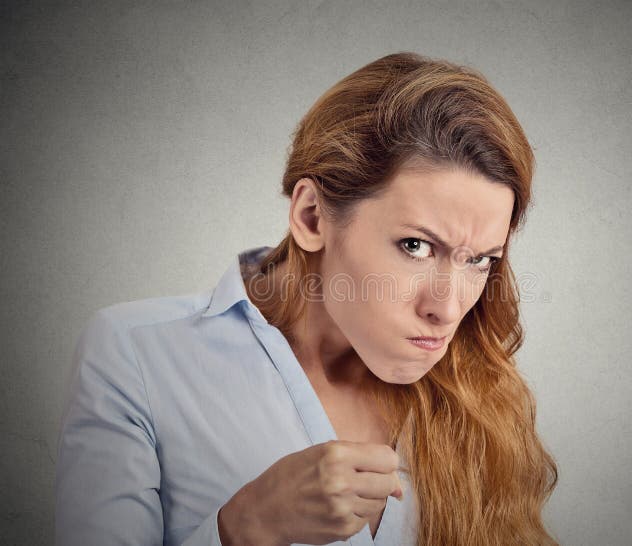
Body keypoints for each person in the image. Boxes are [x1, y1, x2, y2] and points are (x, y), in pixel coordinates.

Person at [54, 51, 559, 546]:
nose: (447, 310)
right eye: (415, 246)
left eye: (480, 260)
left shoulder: (482, 395)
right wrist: (246, 526)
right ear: (312, 217)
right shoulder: (137, 354)